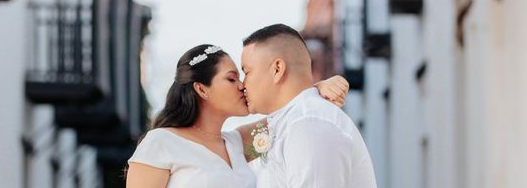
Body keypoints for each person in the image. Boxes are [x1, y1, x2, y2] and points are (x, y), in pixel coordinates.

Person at [126, 43, 349, 188]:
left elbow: (287, 119)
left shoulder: (238, 144)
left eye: (241, 77)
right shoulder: (161, 143)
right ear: (202, 89)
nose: (242, 86)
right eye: (231, 79)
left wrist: (317, 88)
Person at [242, 24, 377, 188]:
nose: (242, 85)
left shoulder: (308, 122)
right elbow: (222, 145)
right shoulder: (284, 123)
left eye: (246, 72)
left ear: (277, 69)